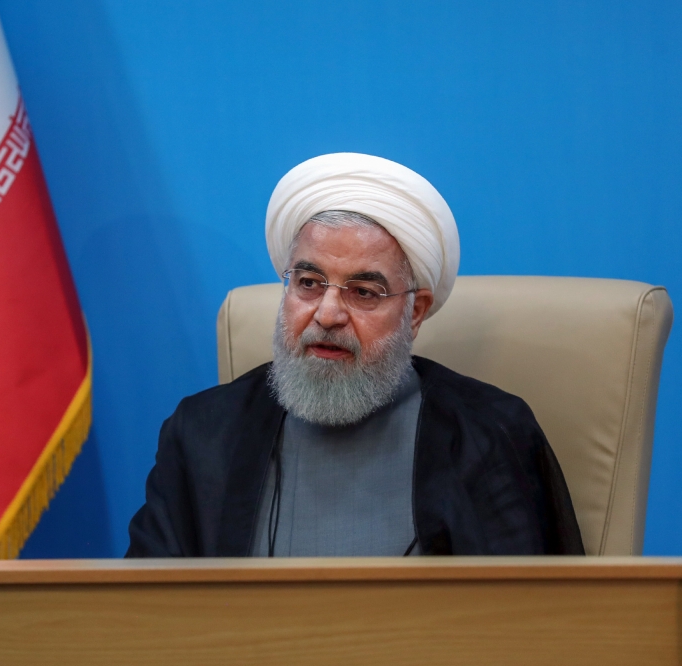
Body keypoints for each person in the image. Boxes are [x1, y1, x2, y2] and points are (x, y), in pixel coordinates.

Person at [127, 153, 584, 557]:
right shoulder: (203, 433)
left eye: (364, 292)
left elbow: (536, 627)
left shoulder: (487, 435)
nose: (327, 314)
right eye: (308, 283)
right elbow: (145, 620)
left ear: (416, 312)